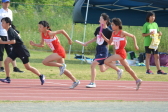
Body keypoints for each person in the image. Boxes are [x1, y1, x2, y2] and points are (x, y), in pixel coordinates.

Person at [30, 20, 80, 89]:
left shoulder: (50, 33)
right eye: (38, 27)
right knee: (63, 70)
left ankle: (62, 65)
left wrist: (69, 40)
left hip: (59, 51)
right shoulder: (42, 34)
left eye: (40, 27)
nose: (39, 28)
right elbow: (42, 45)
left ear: (45, 27)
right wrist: (34, 44)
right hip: (55, 52)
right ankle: (75, 81)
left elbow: (62, 31)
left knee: (45, 62)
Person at [81, 13, 123, 88]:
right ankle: (118, 69)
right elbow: (95, 38)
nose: (99, 20)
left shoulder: (109, 31)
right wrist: (86, 43)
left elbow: (111, 43)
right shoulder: (98, 29)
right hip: (98, 49)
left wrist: (115, 52)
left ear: (105, 21)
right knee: (102, 69)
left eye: (101, 19)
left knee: (93, 64)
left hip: (103, 50)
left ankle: (92, 82)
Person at [0, 17, 45, 85]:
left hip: (21, 50)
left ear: (8, 23)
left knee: (27, 67)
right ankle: (8, 78)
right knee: (6, 62)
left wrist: (2, 42)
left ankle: (41, 76)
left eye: (3, 23)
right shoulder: (9, 30)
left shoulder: (10, 30)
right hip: (15, 50)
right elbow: (16, 36)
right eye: (1, 22)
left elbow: (13, 41)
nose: (1, 24)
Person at [104, 18, 142, 90]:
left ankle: (119, 70)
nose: (111, 26)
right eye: (111, 24)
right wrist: (103, 36)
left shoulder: (122, 33)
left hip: (121, 53)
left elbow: (133, 36)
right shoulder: (113, 33)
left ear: (117, 25)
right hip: (118, 53)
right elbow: (110, 42)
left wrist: (135, 45)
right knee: (128, 69)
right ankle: (138, 80)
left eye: (113, 24)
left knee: (106, 61)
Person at [0, 0, 23, 72]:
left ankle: (15, 67)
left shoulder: (10, 11)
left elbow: (11, 23)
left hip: (9, 34)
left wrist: (16, 32)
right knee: (1, 51)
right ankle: (1, 67)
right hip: (1, 33)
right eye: (5, 2)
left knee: (11, 51)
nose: (6, 4)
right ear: (2, 3)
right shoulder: (0, 12)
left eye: (7, 2)